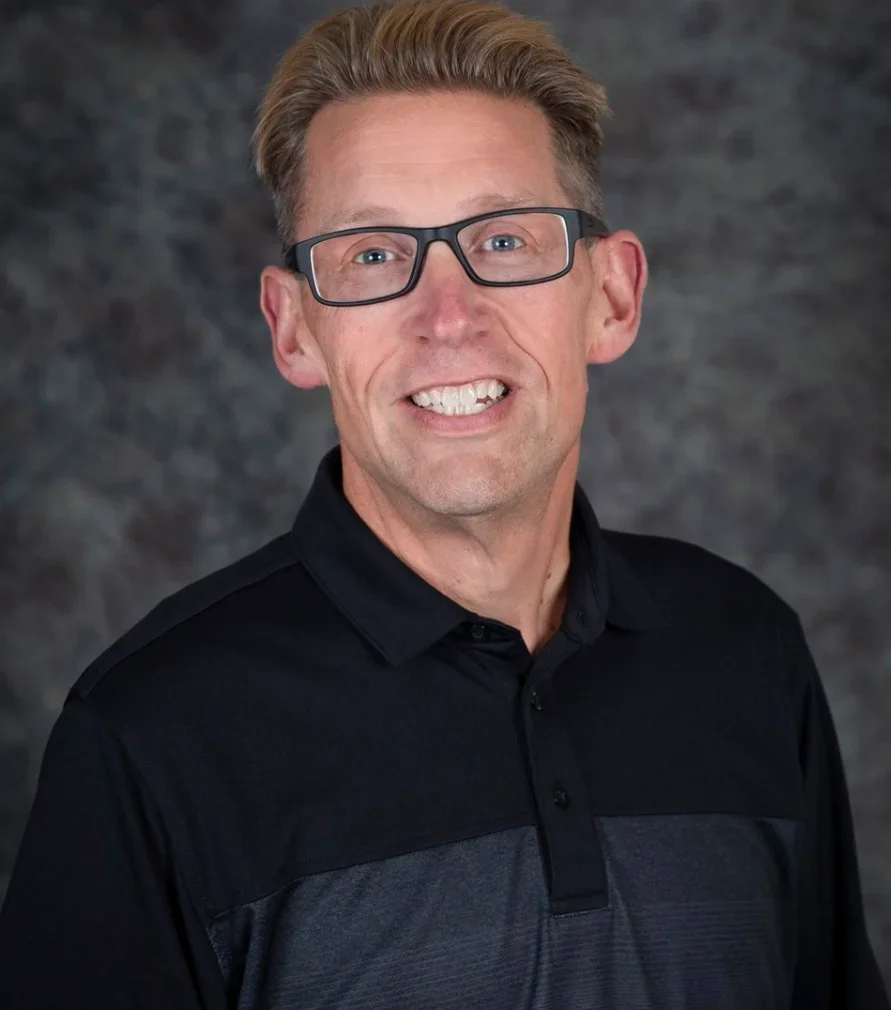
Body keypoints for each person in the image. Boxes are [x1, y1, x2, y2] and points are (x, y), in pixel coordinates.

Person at [1, 0, 887, 1006]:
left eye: (505, 239)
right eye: (373, 255)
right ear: (293, 328)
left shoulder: (748, 651)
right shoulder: (148, 737)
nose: (449, 316)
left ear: (612, 295)